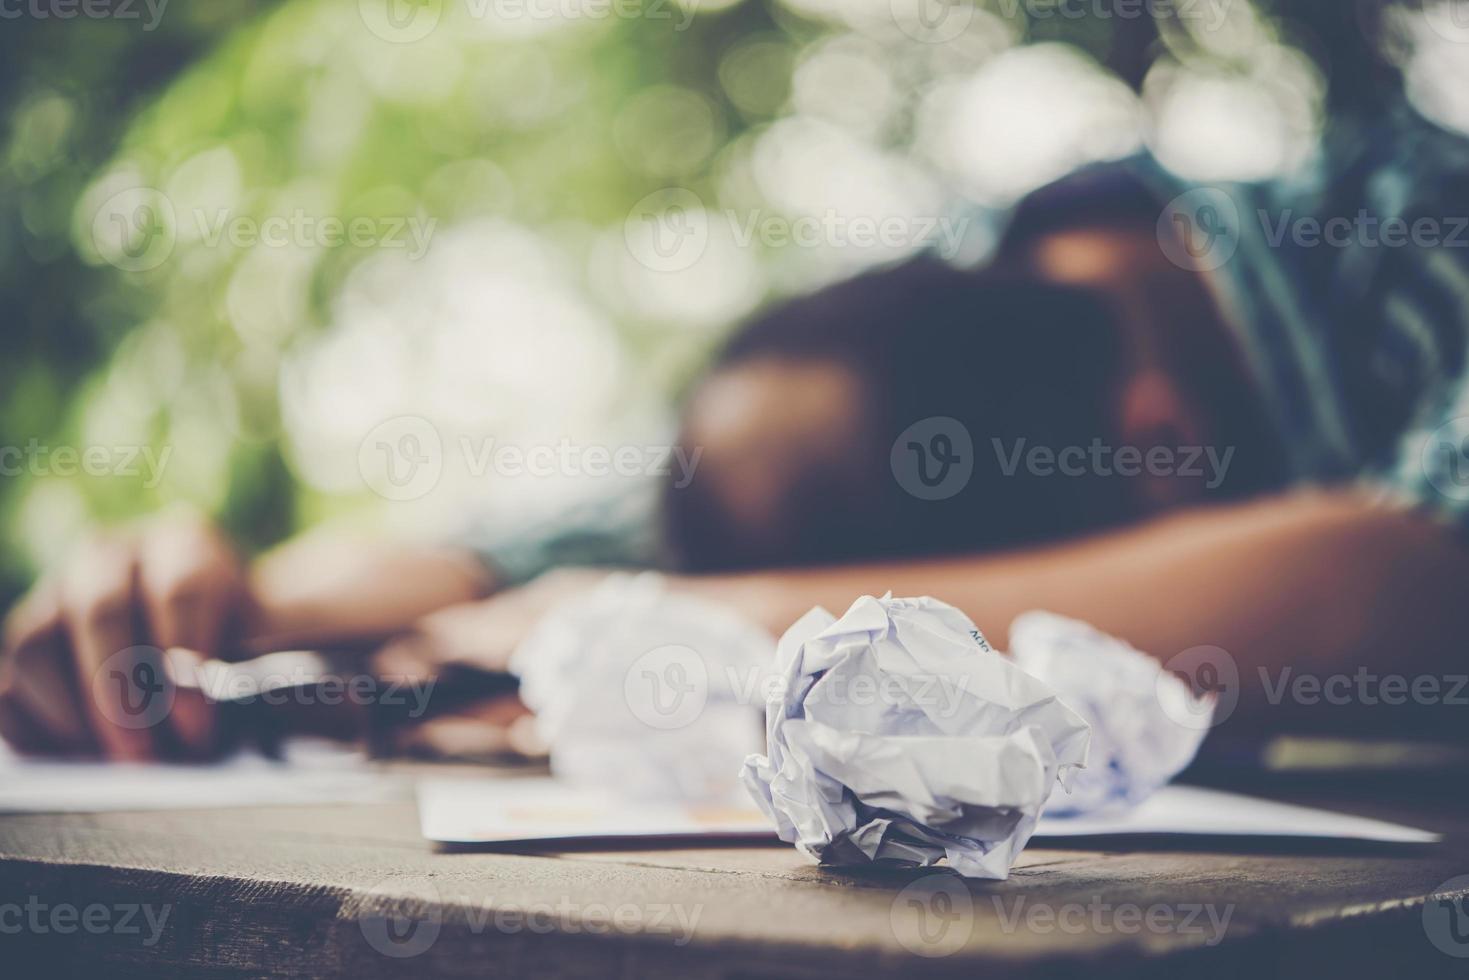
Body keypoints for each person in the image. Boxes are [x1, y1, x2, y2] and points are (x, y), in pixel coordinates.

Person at [4, 95, 1469, 759]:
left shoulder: (1421, 231)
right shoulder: (905, 338)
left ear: (1148, 455)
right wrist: (221, 589)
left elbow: (1421, 582)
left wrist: (696, 648)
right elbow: (526, 560)